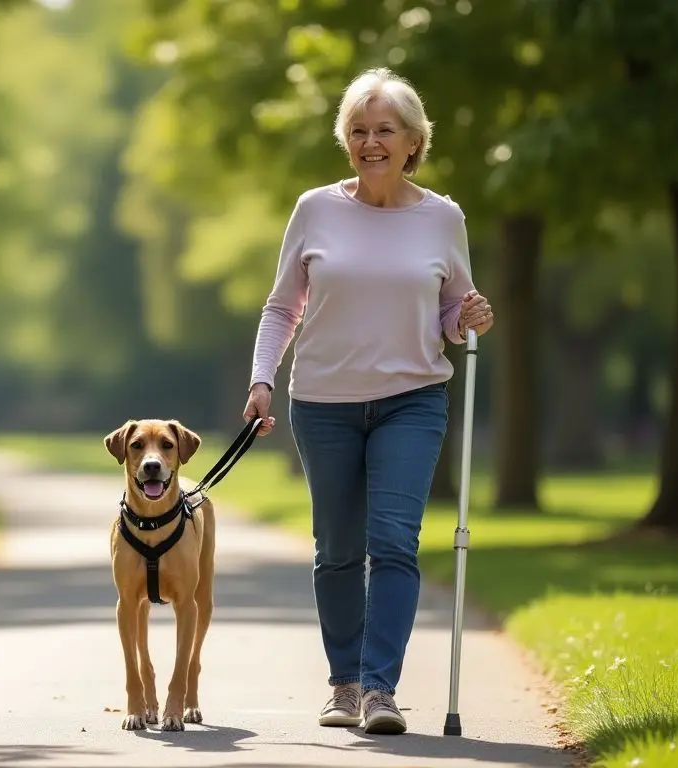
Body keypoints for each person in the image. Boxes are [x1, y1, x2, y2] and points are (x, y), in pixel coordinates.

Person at [242, 67, 495, 735]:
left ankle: (380, 691)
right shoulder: (315, 209)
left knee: (394, 544)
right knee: (338, 550)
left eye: (384, 130)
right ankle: (343, 682)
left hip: (411, 400)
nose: (370, 141)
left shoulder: (443, 217)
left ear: (414, 141)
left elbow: (450, 315)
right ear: (345, 140)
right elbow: (281, 306)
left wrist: (469, 316)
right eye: (358, 130)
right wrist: (262, 378)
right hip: (323, 403)